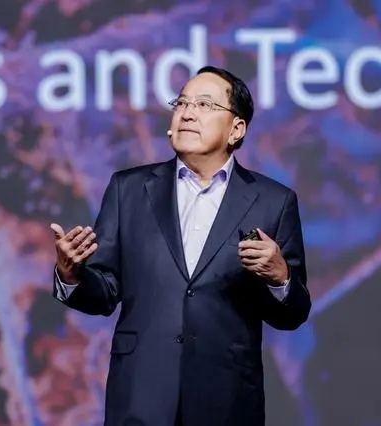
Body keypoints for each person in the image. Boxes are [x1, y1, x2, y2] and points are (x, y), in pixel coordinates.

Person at [50, 65, 311, 426]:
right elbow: (104, 292)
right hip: (141, 399)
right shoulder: (129, 190)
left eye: (204, 105)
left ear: (236, 129)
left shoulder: (272, 202)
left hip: (227, 402)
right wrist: (71, 274)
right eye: (182, 103)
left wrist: (280, 277)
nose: (187, 113)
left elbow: (293, 314)